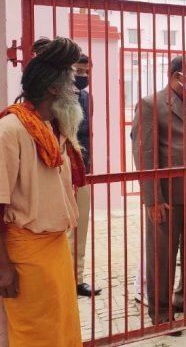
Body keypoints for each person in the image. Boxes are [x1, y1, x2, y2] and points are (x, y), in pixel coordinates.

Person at [0, 37, 85, 346]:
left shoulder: (51, 128)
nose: (76, 90)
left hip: (55, 247)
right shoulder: (10, 130)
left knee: (62, 329)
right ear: (53, 89)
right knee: (37, 336)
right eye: (72, 82)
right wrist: (4, 267)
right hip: (25, 254)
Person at [131, 55, 186, 329]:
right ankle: (161, 310)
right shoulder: (151, 104)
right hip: (169, 194)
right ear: (176, 75)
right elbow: (144, 152)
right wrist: (153, 199)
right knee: (163, 254)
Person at [67, 54, 102, 298]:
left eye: (86, 72)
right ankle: (63, 279)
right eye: (78, 71)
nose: (83, 76)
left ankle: (76, 278)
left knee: (80, 227)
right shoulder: (58, 98)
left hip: (84, 170)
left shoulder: (87, 98)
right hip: (60, 170)